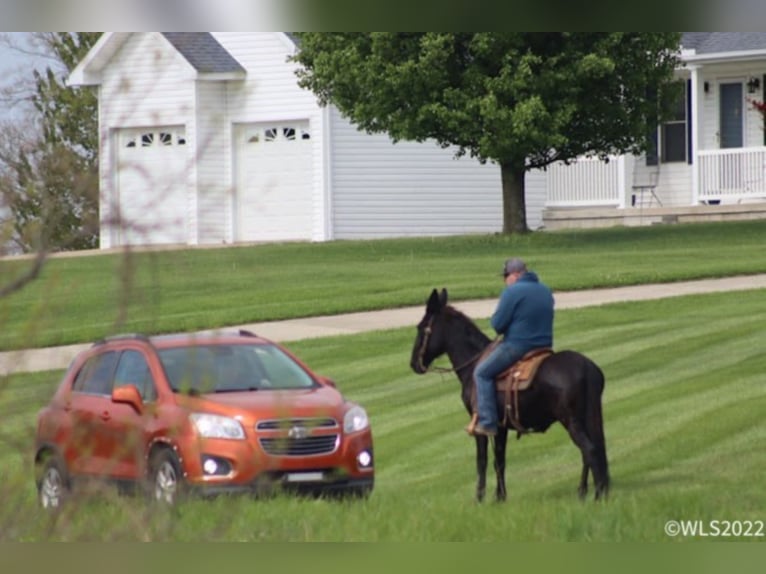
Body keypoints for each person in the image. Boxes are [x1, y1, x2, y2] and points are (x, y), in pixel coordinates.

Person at [468, 258, 555, 437]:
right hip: (545, 346)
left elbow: (498, 325)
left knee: (481, 373)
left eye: (505, 276)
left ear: (515, 274)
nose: (505, 281)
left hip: (518, 347)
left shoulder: (513, 292)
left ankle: (488, 422)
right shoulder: (546, 290)